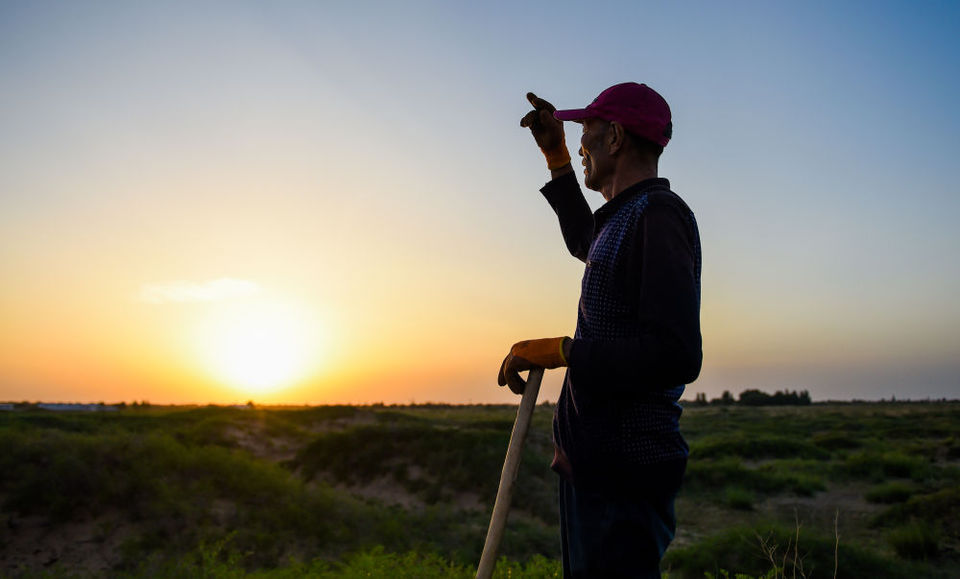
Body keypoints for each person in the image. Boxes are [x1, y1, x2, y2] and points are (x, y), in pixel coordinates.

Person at [497, 82, 702, 578]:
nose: (581, 141)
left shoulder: (660, 216)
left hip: (624, 478)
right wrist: (556, 155)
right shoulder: (625, 218)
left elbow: (675, 355)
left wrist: (565, 350)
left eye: (585, 131)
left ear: (615, 137)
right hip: (594, 472)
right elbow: (584, 239)